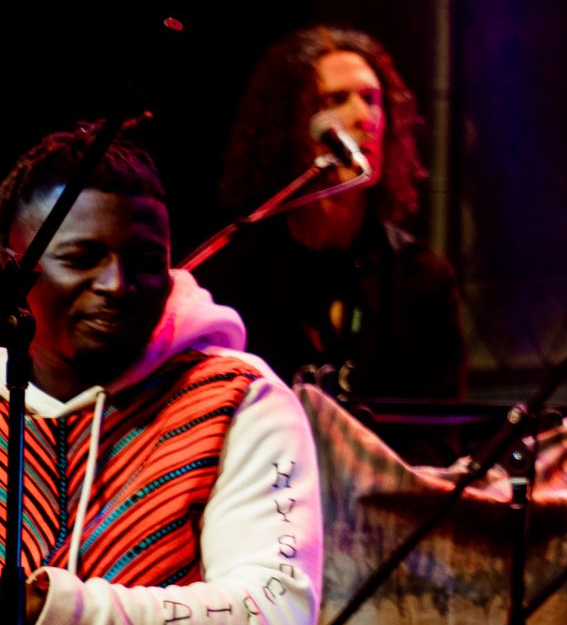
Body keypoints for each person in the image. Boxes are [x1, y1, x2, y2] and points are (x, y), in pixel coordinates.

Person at [2, 129, 321, 625]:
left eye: (146, 259)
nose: (118, 283)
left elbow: (272, 623)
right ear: (14, 269)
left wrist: (49, 605)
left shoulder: (237, 396)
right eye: (81, 258)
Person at [195, 25, 466, 401]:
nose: (363, 117)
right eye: (335, 100)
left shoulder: (419, 278)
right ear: (288, 124)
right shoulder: (235, 276)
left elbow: (441, 432)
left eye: (371, 98)